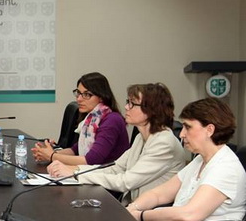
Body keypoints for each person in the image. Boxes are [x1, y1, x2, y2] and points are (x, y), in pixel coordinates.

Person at [126, 98, 246, 221]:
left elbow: (188, 215)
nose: (181, 134)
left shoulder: (226, 168)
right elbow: (160, 194)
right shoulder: (200, 160)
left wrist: (141, 216)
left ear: (209, 130)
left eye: (188, 127)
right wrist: (132, 208)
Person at [47, 83, 186, 203]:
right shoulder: (141, 137)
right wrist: (74, 170)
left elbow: (126, 181)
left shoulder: (164, 143)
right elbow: (115, 168)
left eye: (132, 104)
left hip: (151, 216)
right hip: (133, 207)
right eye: (128, 102)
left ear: (151, 110)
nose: (126, 107)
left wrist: (76, 174)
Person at [31, 72, 130, 166]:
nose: (79, 99)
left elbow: (92, 160)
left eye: (86, 94)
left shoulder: (112, 120)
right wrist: (46, 153)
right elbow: (75, 150)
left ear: (101, 97)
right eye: (78, 93)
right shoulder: (92, 118)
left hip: (108, 175)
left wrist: (52, 156)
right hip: (94, 173)